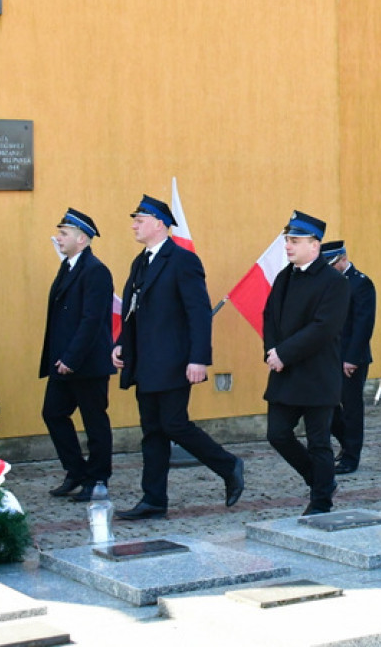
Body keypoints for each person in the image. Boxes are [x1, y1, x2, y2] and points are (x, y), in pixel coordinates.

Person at [112, 195, 243, 519]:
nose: (134, 226)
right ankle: (154, 499)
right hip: (146, 362)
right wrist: (121, 345)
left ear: (159, 224)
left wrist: (199, 358)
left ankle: (228, 465)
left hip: (173, 361)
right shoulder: (140, 262)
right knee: (153, 431)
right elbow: (133, 312)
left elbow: (199, 313)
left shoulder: (182, 260)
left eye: (139, 220)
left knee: (174, 424)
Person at [264, 211, 349, 515]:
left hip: (316, 374)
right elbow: (269, 316)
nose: (288, 246)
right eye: (287, 240)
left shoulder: (334, 282)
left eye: (295, 241)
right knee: (277, 434)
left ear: (315, 245)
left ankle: (321, 501)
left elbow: (323, 328)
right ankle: (319, 480)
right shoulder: (285, 276)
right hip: (284, 372)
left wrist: (284, 353)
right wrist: (272, 351)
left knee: (319, 442)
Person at [40, 209, 115, 502]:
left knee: (94, 420)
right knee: (53, 413)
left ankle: (97, 478)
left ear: (81, 238)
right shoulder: (69, 267)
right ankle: (76, 471)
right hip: (64, 361)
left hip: (86, 363)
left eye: (64, 233)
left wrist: (71, 357)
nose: (58, 238)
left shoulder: (95, 270)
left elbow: (91, 320)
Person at [320, 241, 376, 476]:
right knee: (327, 405)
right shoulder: (327, 283)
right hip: (329, 355)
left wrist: (352, 358)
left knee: (351, 408)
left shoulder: (360, 283)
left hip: (351, 356)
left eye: (333, 265)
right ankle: (346, 443)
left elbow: (363, 324)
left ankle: (351, 456)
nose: (330, 269)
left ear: (343, 259)